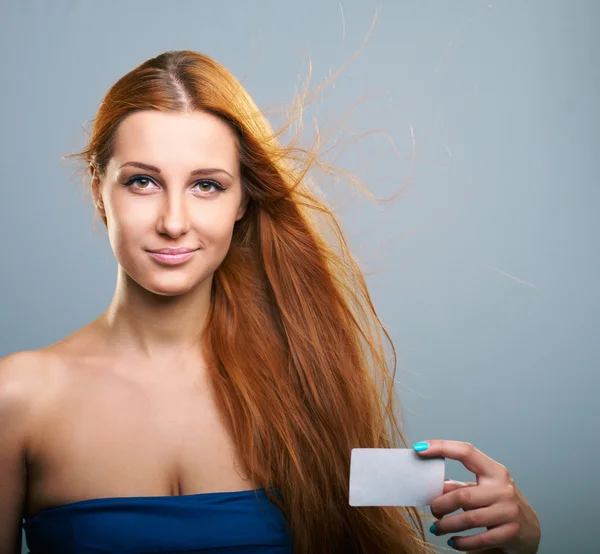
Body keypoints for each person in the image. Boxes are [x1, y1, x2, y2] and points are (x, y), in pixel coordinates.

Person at [0, 50, 541, 554]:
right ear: (99, 189)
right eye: (142, 182)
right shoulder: (18, 399)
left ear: (241, 201)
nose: (173, 221)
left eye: (206, 186)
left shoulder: (301, 379)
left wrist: (514, 529)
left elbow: (415, 503)